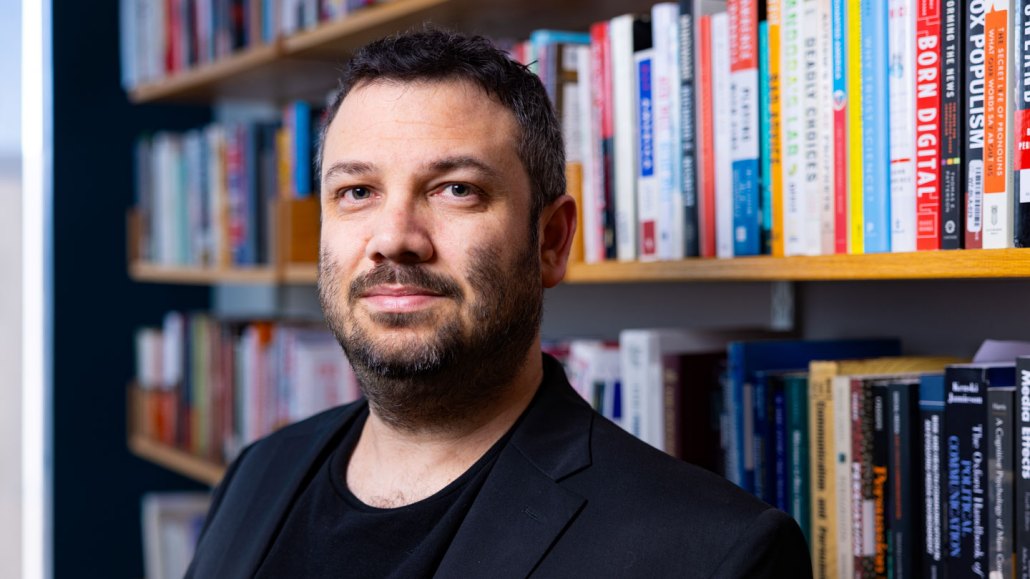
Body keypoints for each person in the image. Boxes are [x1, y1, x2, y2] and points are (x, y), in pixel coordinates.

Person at [186, 28, 812, 578]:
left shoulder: (712, 553)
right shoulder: (257, 473)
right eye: (357, 191)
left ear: (551, 241)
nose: (394, 238)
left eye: (456, 189)